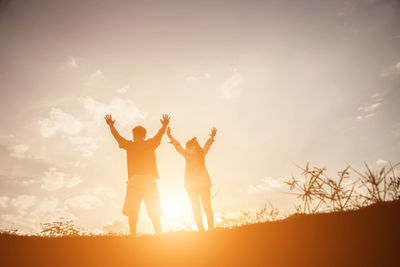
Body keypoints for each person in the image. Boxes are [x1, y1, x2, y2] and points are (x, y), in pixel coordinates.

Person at [104, 113, 170, 236]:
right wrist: (164, 125)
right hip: (149, 179)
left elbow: (117, 137)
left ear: (134, 135)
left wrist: (111, 126)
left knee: (132, 209)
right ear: (144, 135)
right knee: (153, 208)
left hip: (135, 180)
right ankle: (159, 234)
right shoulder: (150, 143)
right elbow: (159, 134)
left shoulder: (130, 145)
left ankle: (133, 235)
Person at [167, 126, 217, 231]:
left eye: (190, 147)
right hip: (195, 186)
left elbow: (207, 145)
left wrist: (212, 137)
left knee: (203, 207)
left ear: (193, 147)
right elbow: (178, 146)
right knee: (200, 207)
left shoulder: (199, 154)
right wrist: (171, 137)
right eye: (189, 147)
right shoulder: (192, 154)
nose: (189, 149)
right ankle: (204, 228)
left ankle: (209, 228)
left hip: (200, 185)